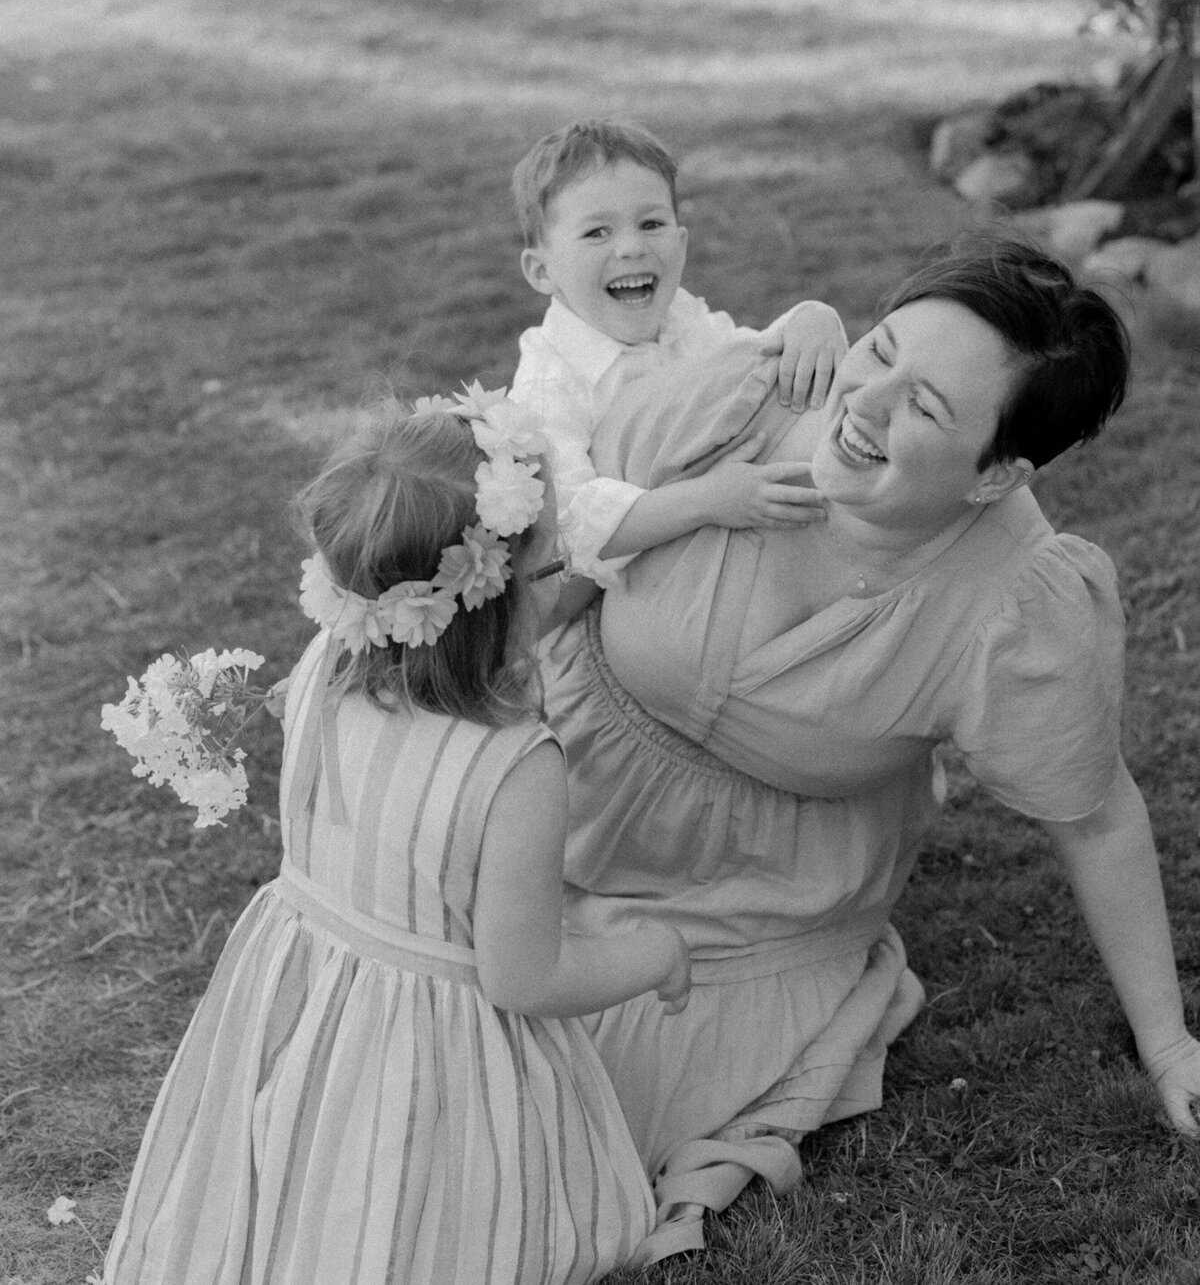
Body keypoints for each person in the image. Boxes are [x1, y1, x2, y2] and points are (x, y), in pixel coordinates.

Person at [538, 233, 1200, 1264]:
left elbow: (1096, 812)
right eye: (883, 349)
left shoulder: (1016, 603)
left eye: (927, 408)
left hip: (747, 896)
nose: (868, 402)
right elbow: (572, 541)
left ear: (997, 475)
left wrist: (1168, 1044)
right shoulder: (752, 397)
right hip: (549, 778)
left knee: (556, 1114)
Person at [103, 388, 689, 1285]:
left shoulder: (321, 669)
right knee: (419, 1202)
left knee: (308, 1153)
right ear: (491, 597)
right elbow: (524, 975)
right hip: (433, 1055)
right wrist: (656, 952)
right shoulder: (517, 768)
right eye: (552, 569)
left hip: (301, 995)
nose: (570, 582)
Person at [510, 118, 844, 583]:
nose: (631, 247)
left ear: (681, 243)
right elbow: (570, 527)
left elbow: (750, 361)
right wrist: (707, 499)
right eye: (597, 233)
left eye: (651, 224)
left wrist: (811, 318)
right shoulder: (550, 382)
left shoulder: (682, 321)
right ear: (542, 271)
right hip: (620, 595)